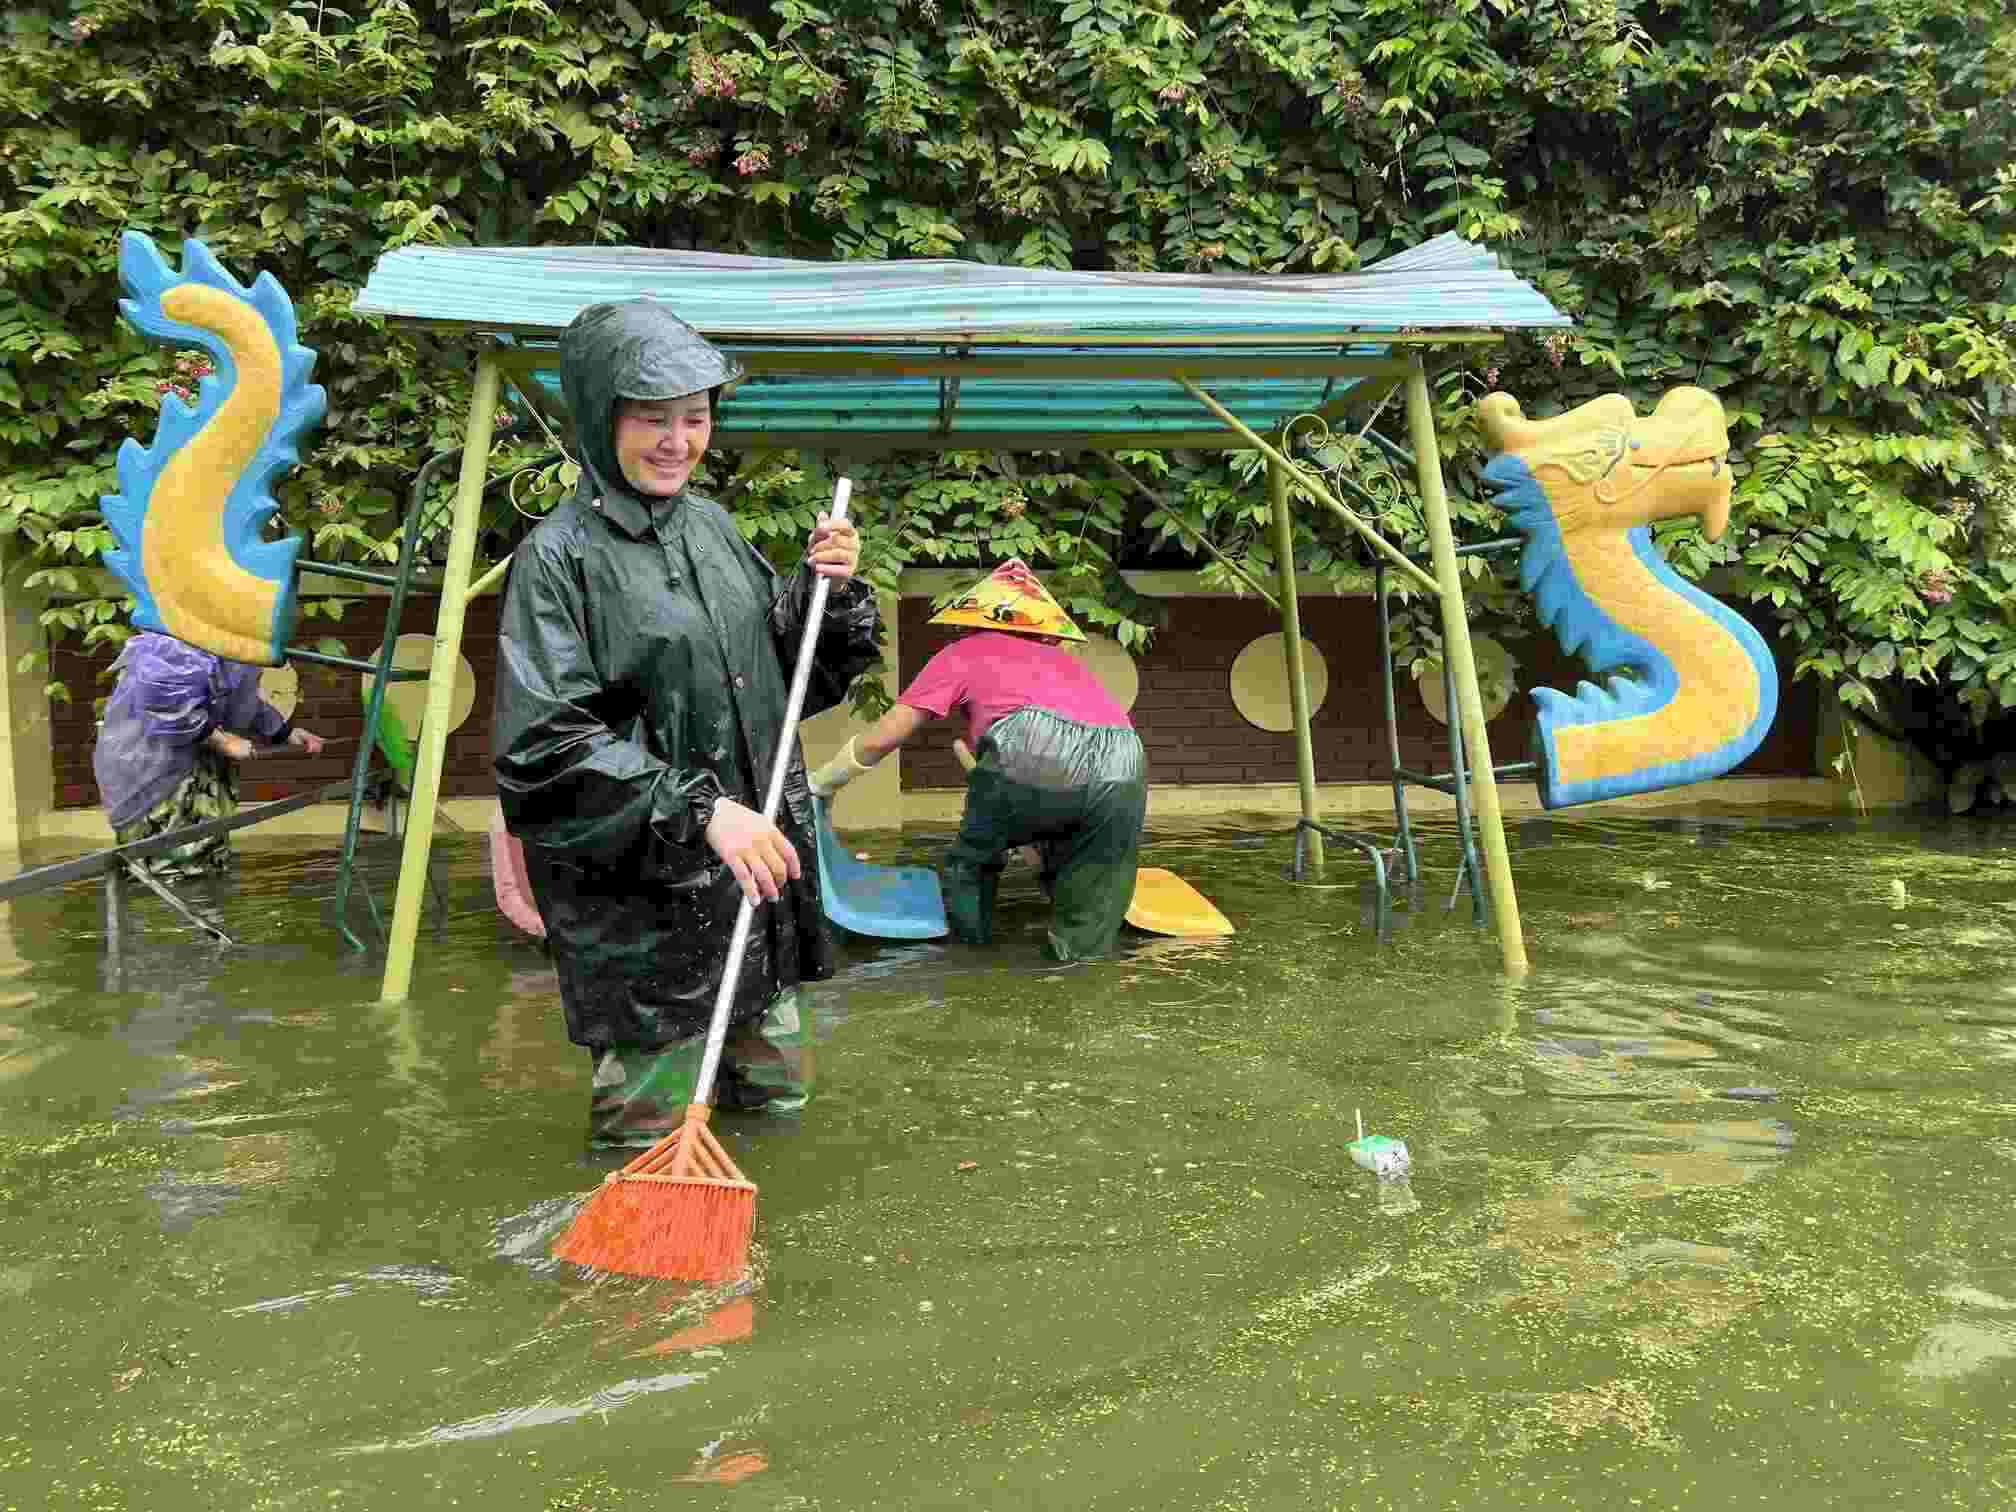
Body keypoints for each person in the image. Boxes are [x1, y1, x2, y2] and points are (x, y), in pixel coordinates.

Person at [492, 298, 878, 1149]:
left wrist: (831, 598)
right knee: (649, 1136)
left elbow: (784, 684)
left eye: (695, 419)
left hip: (755, 891)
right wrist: (702, 810)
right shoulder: (558, 561)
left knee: (779, 1107)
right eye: (653, 419)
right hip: (643, 916)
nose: (677, 442)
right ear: (602, 418)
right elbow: (541, 748)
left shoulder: (711, 527)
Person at [809, 559, 1146, 961]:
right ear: (1040, 625)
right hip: (1126, 761)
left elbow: (888, 734)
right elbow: (1079, 764)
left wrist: (823, 782)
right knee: (1096, 881)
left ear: (975, 618)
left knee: (973, 861)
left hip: (1031, 750)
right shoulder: (1068, 662)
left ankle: (972, 958)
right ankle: (1080, 966)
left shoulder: (963, 652)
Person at [92, 631, 326, 878]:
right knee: (166, 867)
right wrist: (223, 741)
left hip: (198, 770)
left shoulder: (229, 636)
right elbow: (167, 703)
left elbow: (238, 695)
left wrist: (284, 732)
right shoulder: (176, 639)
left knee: (203, 860)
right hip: (160, 773)